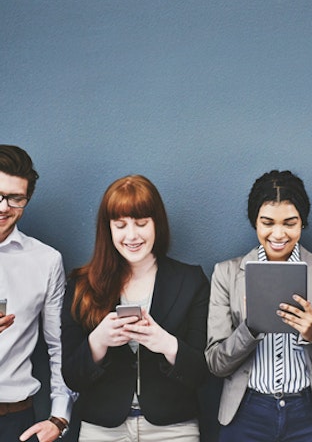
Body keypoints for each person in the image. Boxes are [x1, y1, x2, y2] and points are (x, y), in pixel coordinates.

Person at [61, 175, 209, 442]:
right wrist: (98, 342)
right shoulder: (81, 285)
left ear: (157, 225)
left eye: (141, 223)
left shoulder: (190, 281)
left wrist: (165, 343)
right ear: (108, 229)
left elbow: (202, 373)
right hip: (101, 428)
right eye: (120, 225)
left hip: (174, 428)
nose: (132, 235)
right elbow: (71, 377)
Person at [205, 170, 312, 442]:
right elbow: (215, 363)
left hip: (310, 413)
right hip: (247, 412)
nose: (279, 234)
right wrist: (249, 329)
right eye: (267, 222)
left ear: (302, 223)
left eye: (290, 223)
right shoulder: (226, 274)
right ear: (255, 222)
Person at [0, 145, 74, 442]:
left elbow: (60, 346)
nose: (4, 206)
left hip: (15, 421)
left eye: (15, 199)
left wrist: (60, 417)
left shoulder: (46, 260)